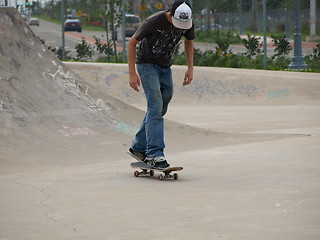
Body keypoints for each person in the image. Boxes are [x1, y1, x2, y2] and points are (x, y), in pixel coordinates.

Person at [127, 0, 195, 169]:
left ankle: (138, 147)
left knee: (160, 106)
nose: (180, 27)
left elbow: (188, 41)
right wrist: (132, 73)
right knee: (155, 106)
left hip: (165, 67)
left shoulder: (188, 21)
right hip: (146, 65)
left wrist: (190, 68)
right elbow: (132, 43)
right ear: (170, 13)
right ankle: (154, 154)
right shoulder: (153, 21)